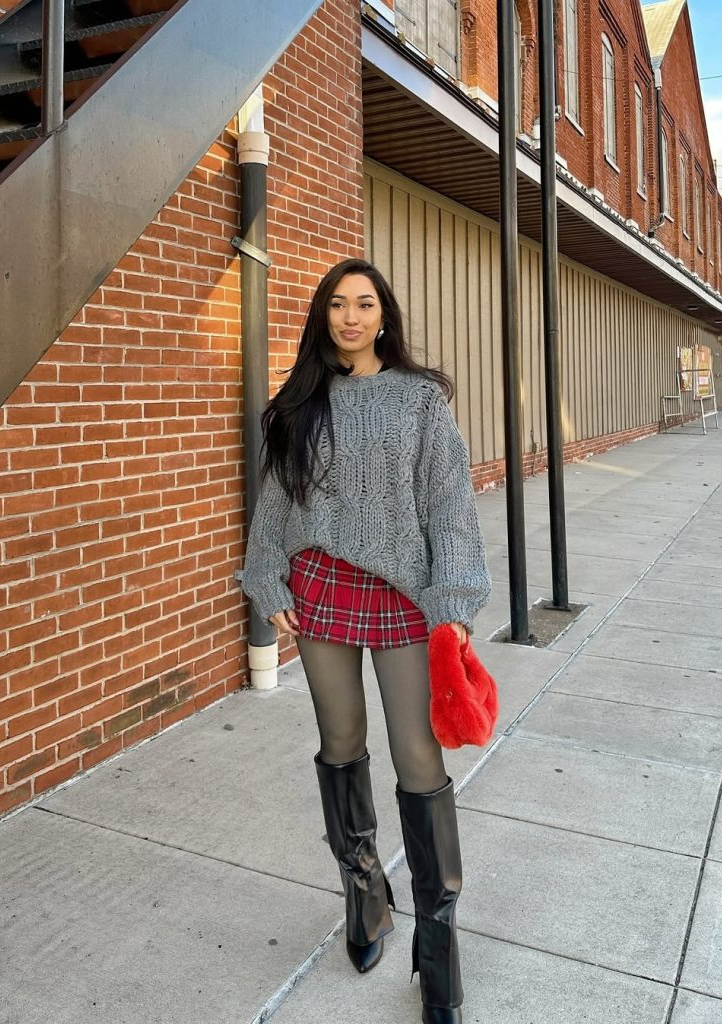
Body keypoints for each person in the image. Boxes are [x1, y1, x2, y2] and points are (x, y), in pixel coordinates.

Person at [241, 258, 490, 1024]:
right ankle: (364, 899)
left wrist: (451, 600)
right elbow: (276, 503)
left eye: (364, 304)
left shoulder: (419, 400)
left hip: (405, 595)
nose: (350, 317)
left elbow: (448, 503)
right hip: (319, 588)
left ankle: (438, 941)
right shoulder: (299, 405)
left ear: (383, 316)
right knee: (340, 739)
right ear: (322, 318)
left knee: (419, 756)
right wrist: (267, 578)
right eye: (337, 305)